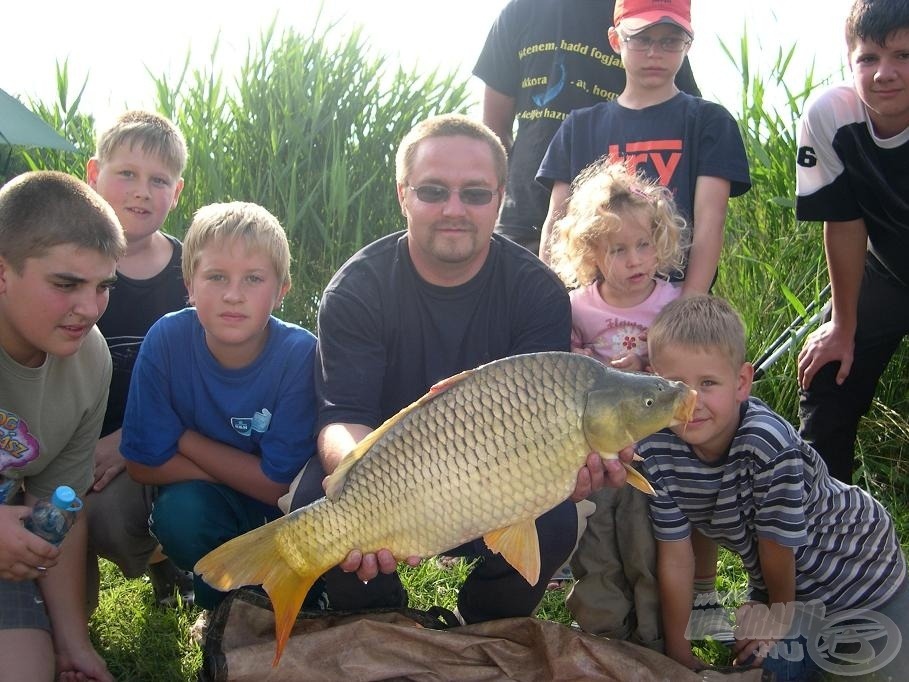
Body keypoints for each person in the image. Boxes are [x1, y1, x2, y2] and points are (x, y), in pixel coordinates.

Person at [288, 113, 631, 622]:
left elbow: (551, 422)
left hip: (501, 474)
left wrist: (571, 469)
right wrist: (366, 486)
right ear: (404, 195)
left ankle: (483, 629)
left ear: (499, 197)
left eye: (474, 193)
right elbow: (343, 416)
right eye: (433, 191)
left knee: (556, 517)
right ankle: (382, 621)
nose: (454, 209)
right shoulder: (357, 288)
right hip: (392, 475)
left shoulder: (536, 290)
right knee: (315, 507)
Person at [638, 294, 908, 680]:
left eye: (708, 382)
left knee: (872, 670)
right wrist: (678, 652)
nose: (691, 402)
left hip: (857, 571)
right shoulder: (656, 448)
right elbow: (677, 553)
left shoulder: (767, 444)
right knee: (760, 666)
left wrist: (776, 625)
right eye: (676, 385)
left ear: (742, 382)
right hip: (779, 581)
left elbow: (778, 549)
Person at [119, 202, 318, 612]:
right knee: (181, 514)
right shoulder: (166, 341)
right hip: (210, 506)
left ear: (281, 291)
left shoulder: (300, 354)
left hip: (287, 516)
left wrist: (182, 437)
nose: (233, 294)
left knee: (310, 601)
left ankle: (283, 598)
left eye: (253, 279)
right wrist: (244, 476)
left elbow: (278, 486)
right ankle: (220, 612)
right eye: (216, 276)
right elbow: (142, 465)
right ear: (189, 286)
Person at [547, 158, 684, 649]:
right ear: (592, 254)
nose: (634, 260)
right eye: (618, 249)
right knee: (597, 541)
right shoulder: (578, 306)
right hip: (594, 450)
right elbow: (562, 367)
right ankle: (605, 636)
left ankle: (654, 638)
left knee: (647, 538)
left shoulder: (673, 301)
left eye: (644, 245)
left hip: (659, 450)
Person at [0, 171, 125, 682]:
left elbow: (58, 510)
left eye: (102, 287)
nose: (90, 309)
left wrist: (74, 646)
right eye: (67, 284)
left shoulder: (90, 358)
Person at [536, 0, 750, 297]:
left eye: (669, 41)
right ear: (615, 39)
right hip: (590, 304)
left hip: (676, 298)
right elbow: (557, 223)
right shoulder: (579, 127)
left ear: (687, 44)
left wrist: (688, 306)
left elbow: (710, 223)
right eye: (641, 39)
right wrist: (551, 306)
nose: (654, 53)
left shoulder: (710, 122)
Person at [473, 0, 700, 254]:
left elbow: (682, 123)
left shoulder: (642, 14)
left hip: (617, 230)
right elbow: (494, 134)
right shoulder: (520, 10)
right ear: (614, 40)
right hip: (523, 222)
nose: (654, 48)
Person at [795, 0, 909, 484]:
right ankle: (823, 518)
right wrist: (843, 326)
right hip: (888, 269)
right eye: (869, 58)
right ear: (849, 61)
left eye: (904, 56)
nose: (885, 74)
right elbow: (843, 224)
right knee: (828, 368)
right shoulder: (830, 116)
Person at [83, 110, 193, 609]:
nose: (141, 191)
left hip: (171, 438)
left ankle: (177, 558)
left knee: (126, 511)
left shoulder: (196, 272)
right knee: (87, 513)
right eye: (126, 173)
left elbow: (208, 379)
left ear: (178, 191)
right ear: (93, 175)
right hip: (81, 439)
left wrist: (131, 439)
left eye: (159, 180)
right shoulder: (66, 265)